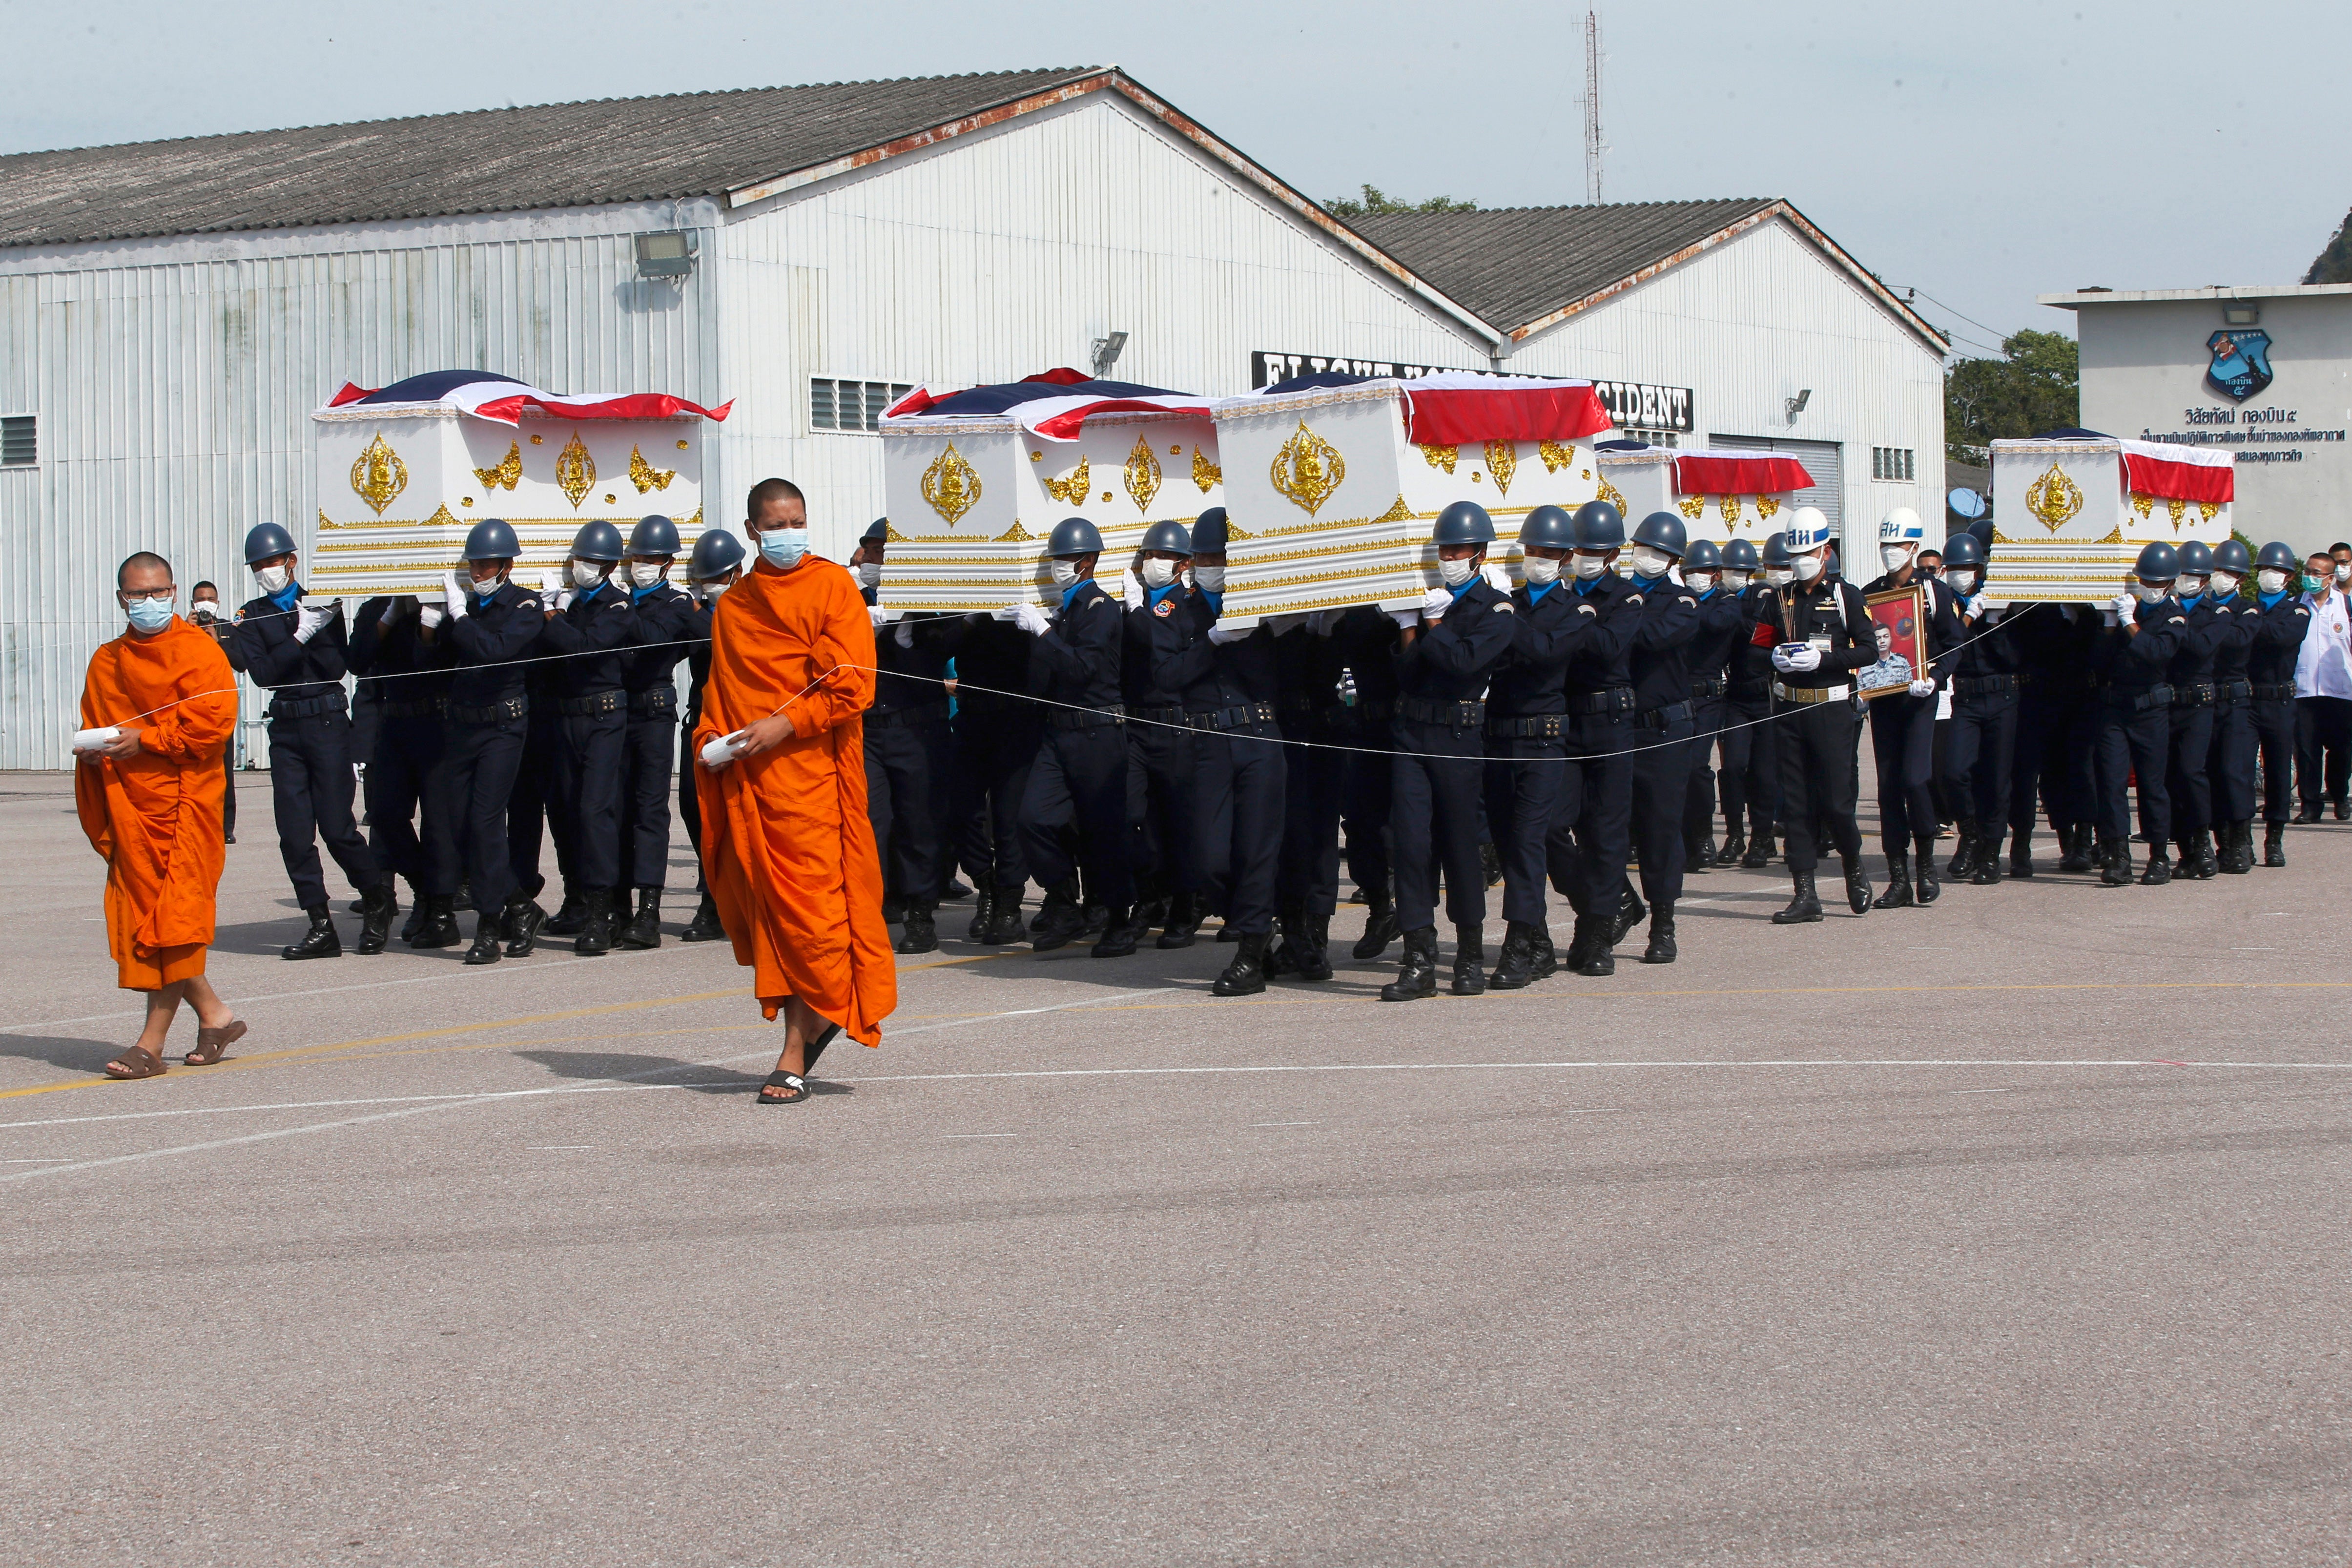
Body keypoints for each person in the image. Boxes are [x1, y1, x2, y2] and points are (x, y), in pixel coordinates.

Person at [695, 476, 897, 1106]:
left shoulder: (833, 586)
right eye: (776, 525)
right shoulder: (735, 606)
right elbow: (720, 693)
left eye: (797, 522)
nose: (789, 534)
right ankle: (807, 1026)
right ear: (753, 531)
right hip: (757, 784)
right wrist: (712, 740)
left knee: (816, 917)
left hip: (816, 780)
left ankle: (795, 1046)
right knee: (776, 920)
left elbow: (855, 684)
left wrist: (785, 723)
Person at [78, 552, 246, 1079]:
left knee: (173, 922)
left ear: (173, 592)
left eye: (157, 592)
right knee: (149, 923)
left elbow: (212, 726)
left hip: (186, 805)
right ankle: (215, 1016)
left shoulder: (200, 650)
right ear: (121, 598)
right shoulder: (107, 661)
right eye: (137, 594)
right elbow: (97, 724)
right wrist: (94, 751)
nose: (148, 602)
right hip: (132, 807)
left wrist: (146, 739)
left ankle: (149, 1045)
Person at [230, 522, 396, 959]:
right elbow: (263, 674)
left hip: (326, 723)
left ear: (291, 561)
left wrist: (310, 631)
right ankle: (321, 924)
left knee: (338, 828)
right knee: (294, 834)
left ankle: (376, 898)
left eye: (272, 562)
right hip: (286, 728)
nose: (266, 571)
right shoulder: (249, 615)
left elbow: (335, 666)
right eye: (258, 566)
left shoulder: (323, 604)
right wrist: (299, 636)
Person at [1375, 501, 1520, 1000]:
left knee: (1460, 846)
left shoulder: (1495, 608)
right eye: (1445, 550)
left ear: (1480, 554)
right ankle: (1418, 958)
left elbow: (1465, 663)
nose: (1450, 558)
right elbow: (1407, 674)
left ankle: (1469, 955)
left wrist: (1434, 625)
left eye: (1459, 550)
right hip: (1412, 734)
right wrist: (1407, 627)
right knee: (1410, 844)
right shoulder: (1426, 599)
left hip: (1458, 737)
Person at [1151, 507, 1286, 996]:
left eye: (1220, 556)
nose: (1212, 564)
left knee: (1256, 849)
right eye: (1205, 557)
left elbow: (1278, 678)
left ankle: (1250, 953)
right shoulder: (1174, 609)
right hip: (1207, 741)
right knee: (1209, 857)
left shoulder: (1261, 604)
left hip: (1257, 736)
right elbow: (1165, 677)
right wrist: (1211, 640)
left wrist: (1256, 630)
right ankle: (1254, 928)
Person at [1484, 505, 1601, 989]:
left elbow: (1546, 652)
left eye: (1549, 553)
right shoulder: (1508, 603)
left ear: (1567, 558)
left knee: (1529, 841)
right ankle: (1540, 943)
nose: (1538, 558)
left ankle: (1517, 946)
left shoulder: (1576, 611)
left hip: (1542, 741)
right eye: (1532, 549)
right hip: (1498, 737)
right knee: (1506, 843)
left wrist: (1503, 615)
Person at [1012, 517, 1139, 956]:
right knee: (1034, 818)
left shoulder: (1100, 607)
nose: (1058, 566)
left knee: (1104, 832)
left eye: (1066, 558)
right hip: (1060, 734)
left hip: (1097, 733)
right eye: (1056, 558)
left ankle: (1118, 919)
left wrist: (1043, 631)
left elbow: (1083, 669)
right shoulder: (1065, 611)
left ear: (1088, 561)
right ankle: (1065, 904)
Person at [428, 519, 547, 963]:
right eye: (473, 565)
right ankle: (521, 905)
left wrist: (459, 616)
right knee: (459, 826)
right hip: (463, 727)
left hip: (503, 727)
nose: (477, 573)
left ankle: (488, 927)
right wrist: (433, 622)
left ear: (506, 566)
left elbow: (495, 651)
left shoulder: (526, 605)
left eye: (486, 565)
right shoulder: (466, 606)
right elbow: (438, 660)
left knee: (485, 823)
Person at [1758, 507, 1877, 923]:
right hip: (1789, 708)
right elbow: (1757, 648)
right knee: (1796, 803)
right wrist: (1773, 657)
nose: (1801, 561)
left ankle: (1853, 866)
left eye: (1808, 553)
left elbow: (1869, 650)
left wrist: (1824, 659)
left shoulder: (1846, 596)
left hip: (1831, 708)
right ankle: (1805, 892)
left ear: (1825, 552)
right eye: (1795, 555)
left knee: (1836, 801)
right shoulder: (1778, 599)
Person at [1545, 500, 1646, 974]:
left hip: (1610, 724)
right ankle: (1601, 903)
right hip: (1568, 723)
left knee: (1604, 833)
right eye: (1579, 549)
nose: (1584, 557)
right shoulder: (1559, 594)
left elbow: (1607, 647)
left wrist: (1569, 620)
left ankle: (1596, 934)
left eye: (1595, 550)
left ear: (1612, 555)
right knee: (1549, 824)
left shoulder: (1627, 597)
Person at [857, 517, 961, 953]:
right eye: (868, 550)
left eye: (879, 552)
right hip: (869, 731)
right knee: (869, 823)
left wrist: (905, 640)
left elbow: (945, 652)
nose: (869, 559)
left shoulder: (927, 603)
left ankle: (920, 913)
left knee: (919, 822)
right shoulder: (856, 601)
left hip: (917, 728)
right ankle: (873, 905)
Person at [536, 519, 637, 954]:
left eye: (592, 561)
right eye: (580, 559)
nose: (583, 567)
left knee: (595, 811)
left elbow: (585, 648)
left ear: (610, 567)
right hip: (564, 719)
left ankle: (602, 911)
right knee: (563, 811)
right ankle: (576, 898)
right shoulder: (571, 605)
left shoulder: (618, 605)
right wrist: (556, 610)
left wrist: (552, 615)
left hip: (603, 718)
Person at [1617, 512, 1712, 963]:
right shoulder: (1617, 594)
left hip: (1664, 730)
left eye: (1658, 552)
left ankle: (1663, 923)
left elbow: (1653, 637)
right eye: (1643, 548)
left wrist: (1615, 621)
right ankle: (1621, 901)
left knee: (1659, 828)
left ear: (1673, 561)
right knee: (1603, 823)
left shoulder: (1683, 601)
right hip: (1617, 726)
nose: (1647, 557)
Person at [1859, 508, 1964, 909]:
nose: (1891, 551)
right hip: (1885, 701)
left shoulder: (1934, 592)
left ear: (1914, 547)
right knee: (1889, 788)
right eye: (1886, 545)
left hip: (1921, 697)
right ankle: (1898, 877)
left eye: (1899, 545)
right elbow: (1862, 647)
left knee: (1916, 780)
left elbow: (1955, 643)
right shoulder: (1870, 594)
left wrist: (1936, 677)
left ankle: (1926, 866)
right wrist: (1860, 684)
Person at [605, 514, 698, 949]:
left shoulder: (675, 602)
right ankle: (617, 906)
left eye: (651, 558)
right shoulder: (622, 599)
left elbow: (653, 639)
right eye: (637, 557)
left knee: (650, 810)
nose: (641, 565)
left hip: (654, 713)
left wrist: (619, 608)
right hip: (617, 712)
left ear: (668, 563)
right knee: (615, 809)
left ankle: (649, 910)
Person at [348, 590, 459, 946]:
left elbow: (436, 662)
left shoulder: (445, 606)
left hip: (438, 720)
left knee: (439, 824)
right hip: (394, 722)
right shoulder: (377, 609)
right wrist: (389, 616)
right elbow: (358, 661)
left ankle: (441, 913)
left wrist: (429, 623)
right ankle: (424, 888)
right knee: (385, 815)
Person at [1122, 520, 1204, 949]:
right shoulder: (1134, 601)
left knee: (1178, 821)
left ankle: (1184, 908)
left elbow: (1159, 648)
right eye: (1149, 555)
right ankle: (1150, 896)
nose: (1153, 562)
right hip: (1136, 724)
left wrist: (1137, 611)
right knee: (1131, 814)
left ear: (1183, 564)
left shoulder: (1183, 605)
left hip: (1174, 725)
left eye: (1164, 556)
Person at [2091, 542, 2188, 885]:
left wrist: (2128, 623)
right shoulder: (2127, 608)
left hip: (2150, 710)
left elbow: (2157, 652)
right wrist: (2108, 626)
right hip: (2116, 708)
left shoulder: (2173, 616)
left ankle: (2159, 855)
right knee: (2112, 783)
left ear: (2170, 584)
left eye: (2156, 583)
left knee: (2152, 785)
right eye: (2145, 580)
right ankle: (2118, 856)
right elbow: (2099, 662)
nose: (2149, 587)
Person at [1937, 533, 2024, 883]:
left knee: (1996, 779)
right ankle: (1970, 833)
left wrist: (1995, 621)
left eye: (1965, 568)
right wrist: (1969, 619)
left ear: (1978, 569)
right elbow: (1945, 646)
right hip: (1967, 699)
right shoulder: (1945, 603)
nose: (1959, 574)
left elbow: (2013, 657)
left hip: (2002, 697)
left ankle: (1990, 853)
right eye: (1953, 568)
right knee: (1954, 771)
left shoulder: (1998, 600)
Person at [678, 527, 745, 940]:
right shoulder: (696, 611)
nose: (711, 586)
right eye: (705, 580)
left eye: (718, 578)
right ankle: (713, 895)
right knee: (695, 808)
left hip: (743, 724)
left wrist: (694, 613)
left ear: (738, 572)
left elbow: (725, 637)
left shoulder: (752, 607)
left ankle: (740, 897)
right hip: (703, 721)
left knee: (741, 813)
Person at [2162, 539, 2227, 878]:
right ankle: (2185, 849)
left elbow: (2202, 646)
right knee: (2169, 777)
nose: (2186, 581)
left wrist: (2172, 626)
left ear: (2204, 580)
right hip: (2166, 702)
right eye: (2182, 575)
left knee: (2192, 772)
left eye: (2193, 576)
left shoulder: (2216, 613)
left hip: (2198, 703)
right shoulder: (2164, 608)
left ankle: (2203, 842)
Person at [1718, 536, 1784, 867]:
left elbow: (1765, 635)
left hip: (1764, 694)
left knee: (1764, 771)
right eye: (1731, 570)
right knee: (1732, 767)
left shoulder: (1763, 595)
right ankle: (1735, 833)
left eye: (1742, 571)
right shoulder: (1721, 597)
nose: (1736, 576)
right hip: (1736, 694)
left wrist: (1734, 622)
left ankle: (1762, 836)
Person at [1680, 539, 1743, 874]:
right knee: (1672, 770)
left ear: (1717, 574)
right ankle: (1681, 840)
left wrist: (1685, 609)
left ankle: (1703, 836)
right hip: (1677, 695)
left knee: (1696, 767)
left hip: (1708, 698)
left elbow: (1715, 624)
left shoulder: (1726, 603)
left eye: (1703, 571)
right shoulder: (1680, 600)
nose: (1697, 577)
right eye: (1691, 571)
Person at [2200, 538, 2262, 874]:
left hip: (2235, 700)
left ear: (2240, 579)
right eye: (2217, 570)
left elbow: (2239, 640)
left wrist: (2210, 629)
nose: (2221, 576)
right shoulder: (2201, 607)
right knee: (2207, 770)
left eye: (2228, 572)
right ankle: (2220, 839)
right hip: (2205, 699)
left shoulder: (2249, 609)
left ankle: (2241, 840)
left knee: (2233, 771)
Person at [2246, 541, 2310, 865]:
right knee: (2238, 769)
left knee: (2278, 771)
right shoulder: (2246, 606)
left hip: (2280, 700)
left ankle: (2274, 838)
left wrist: (2251, 623)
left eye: (2277, 570)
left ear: (2289, 577)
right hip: (2246, 699)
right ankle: (2240, 838)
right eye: (2264, 569)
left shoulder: (2298, 611)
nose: (2269, 575)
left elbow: (2281, 637)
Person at [2293, 549, 2352, 822]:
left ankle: (2340, 797)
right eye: (2307, 571)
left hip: (2339, 690)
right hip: (2304, 689)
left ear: (2330, 578)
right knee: (2307, 750)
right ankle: (2310, 805)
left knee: (2341, 749)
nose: (2310, 577)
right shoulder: (2296, 605)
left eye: (2316, 573)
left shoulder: (2346, 606)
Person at [186, 581, 244, 844]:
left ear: (218, 603)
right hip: (191, 705)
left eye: (211, 599)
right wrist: (188, 631)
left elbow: (241, 664)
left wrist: (218, 642)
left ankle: (225, 827)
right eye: (201, 599)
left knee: (224, 768)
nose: (206, 604)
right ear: (193, 603)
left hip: (220, 707)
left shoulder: (228, 629)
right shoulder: (182, 630)